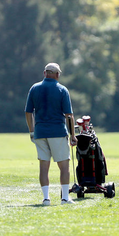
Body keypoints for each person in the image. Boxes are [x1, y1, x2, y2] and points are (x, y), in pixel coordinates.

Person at [25, 63, 78, 205]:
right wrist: (73, 135)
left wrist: (31, 131)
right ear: (57, 75)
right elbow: (69, 115)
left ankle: (46, 198)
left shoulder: (34, 88)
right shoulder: (62, 90)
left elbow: (28, 112)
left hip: (40, 133)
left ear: (44, 73)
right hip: (58, 132)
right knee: (64, 167)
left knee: (43, 166)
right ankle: (65, 198)